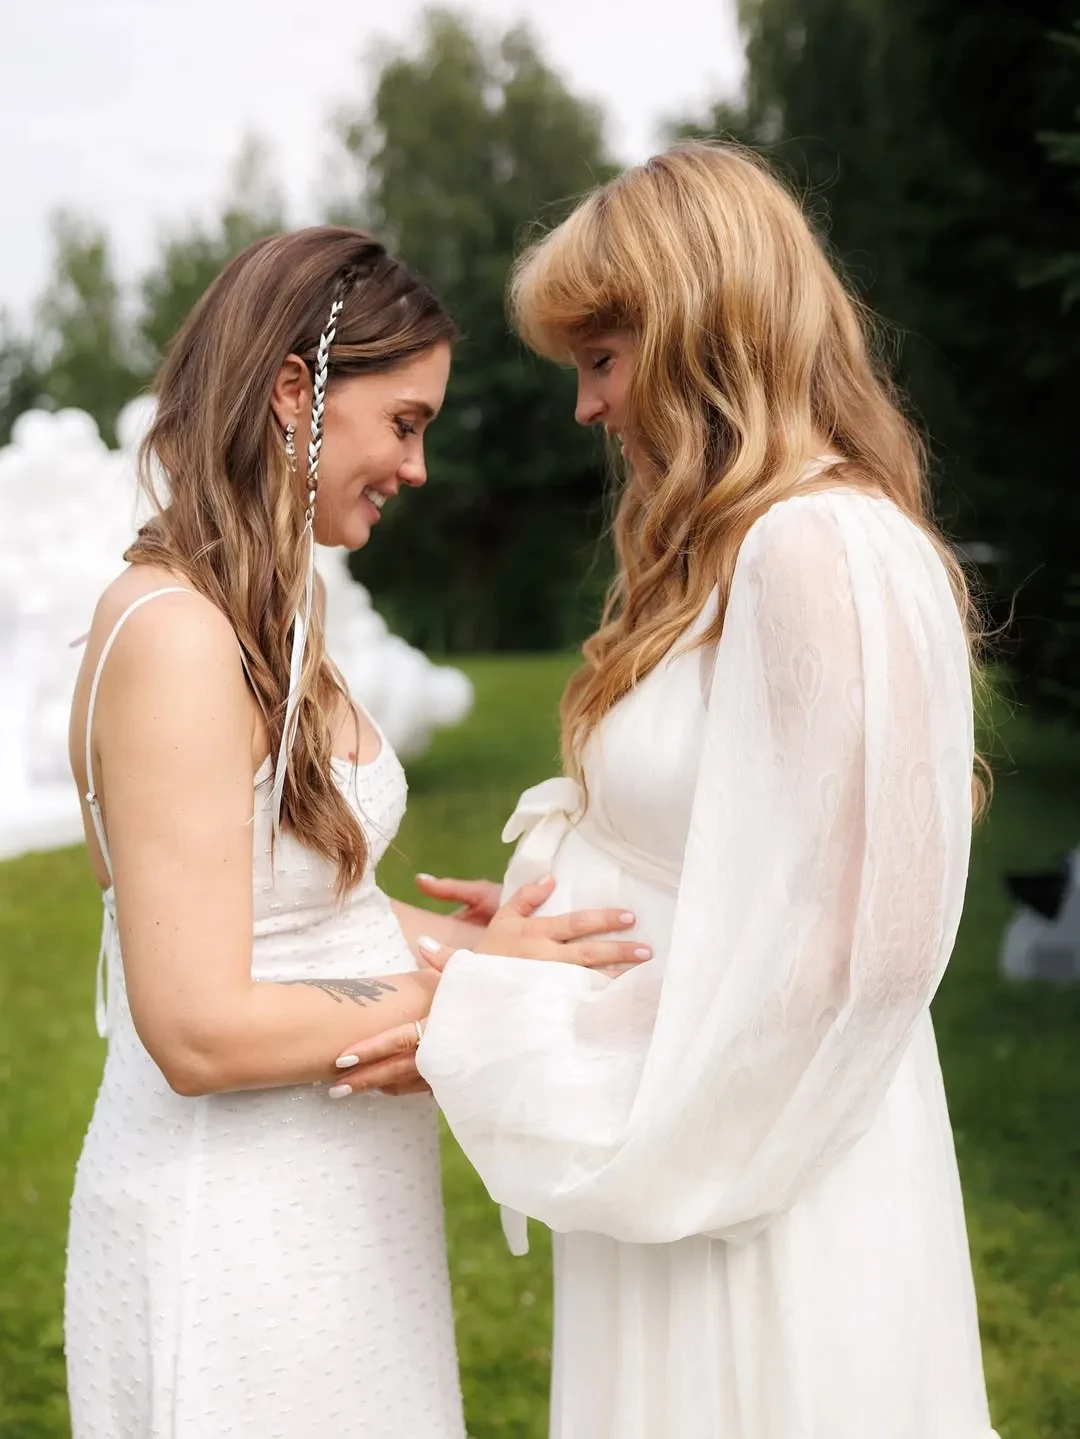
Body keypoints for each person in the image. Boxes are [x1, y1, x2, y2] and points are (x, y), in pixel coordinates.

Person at [335, 145, 999, 1438]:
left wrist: (518, 1015)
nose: (587, 407)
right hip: (683, 1119)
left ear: (706, 328)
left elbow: (858, 949)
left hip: (761, 1170)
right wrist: (548, 926)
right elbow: (728, 852)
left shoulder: (820, 546)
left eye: (602, 357)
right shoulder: (729, 549)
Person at [64, 226, 649, 1438]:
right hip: (229, 1233)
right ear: (295, 391)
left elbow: (304, 912)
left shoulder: (269, 614)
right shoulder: (176, 635)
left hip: (331, 1219)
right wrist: (464, 998)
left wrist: (490, 943)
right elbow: (194, 1024)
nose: (418, 467)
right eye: (405, 422)